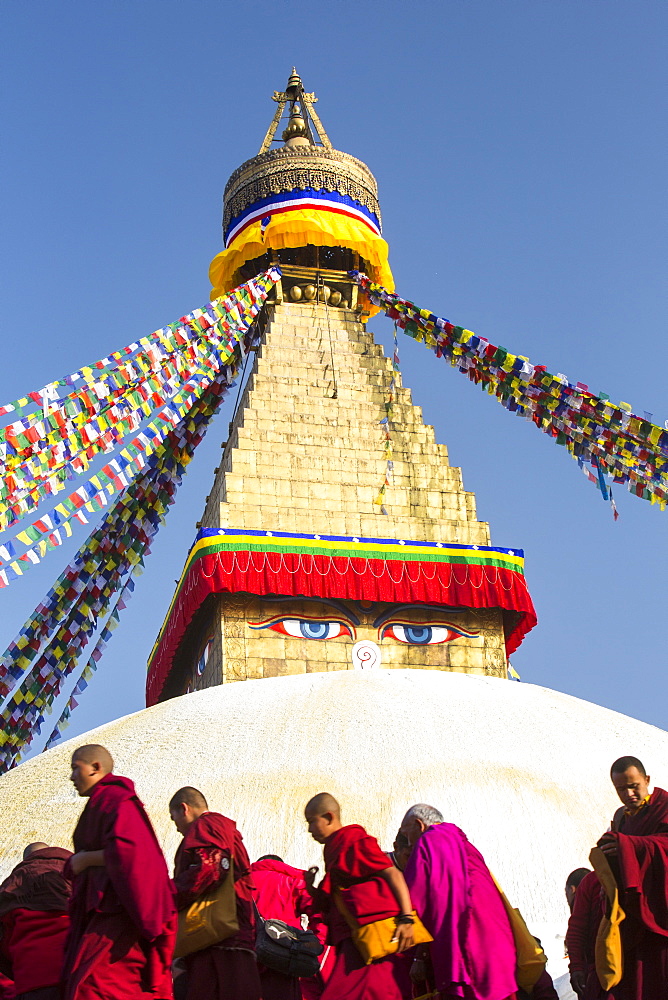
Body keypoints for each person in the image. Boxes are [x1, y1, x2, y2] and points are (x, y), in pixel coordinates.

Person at [63, 744, 176, 1000]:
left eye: (75, 768)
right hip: (104, 915)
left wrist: (86, 859)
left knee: (95, 986)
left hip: (119, 918)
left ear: (95, 768)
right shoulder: (103, 801)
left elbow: (135, 856)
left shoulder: (116, 800)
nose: (71, 777)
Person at [400, 803, 518, 1000]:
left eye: (406, 834)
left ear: (419, 825)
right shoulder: (465, 844)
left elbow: (414, 897)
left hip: (467, 942)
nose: (409, 842)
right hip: (497, 942)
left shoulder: (429, 841)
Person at [304, 792, 414, 1000]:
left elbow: (392, 873)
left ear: (329, 817)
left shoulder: (354, 840)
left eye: (312, 822)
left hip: (374, 935)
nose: (309, 830)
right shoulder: (333, 847)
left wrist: (406, 918)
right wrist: (312, 890)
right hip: (356, 938)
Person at [169, 786, 261, 1000]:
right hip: (235, 931)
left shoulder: (207, 825)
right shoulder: (223, 828)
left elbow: (211, 867)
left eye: (174, 820)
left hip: (217, 936)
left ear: (184, 809)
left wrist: (169, 895)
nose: (176, 829)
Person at [595, 755, 668, 999]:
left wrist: (629, 846)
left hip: (660, 914)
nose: (628, 794)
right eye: (621, 789)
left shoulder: (665, 807)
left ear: (647, 780)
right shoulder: (620, 818)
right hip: (633, 917)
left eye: (633, 786)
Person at [0, 841, 72, 1000]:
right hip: (74, 973)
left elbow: (2, 941)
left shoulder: (10, 887)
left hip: (31, 980)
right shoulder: (77, 877)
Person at [250, 854, 317, 1000]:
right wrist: (312, 944)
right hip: (285, 959)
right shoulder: (293, 883)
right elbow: (319, 913)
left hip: (247, 960)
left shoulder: (240, 883)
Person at [565, 870, 605, 999]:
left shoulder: (592, 882)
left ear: (571, 890)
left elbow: (576, 930)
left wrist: (576, 968)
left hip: (599, 969)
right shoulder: (593, 881)